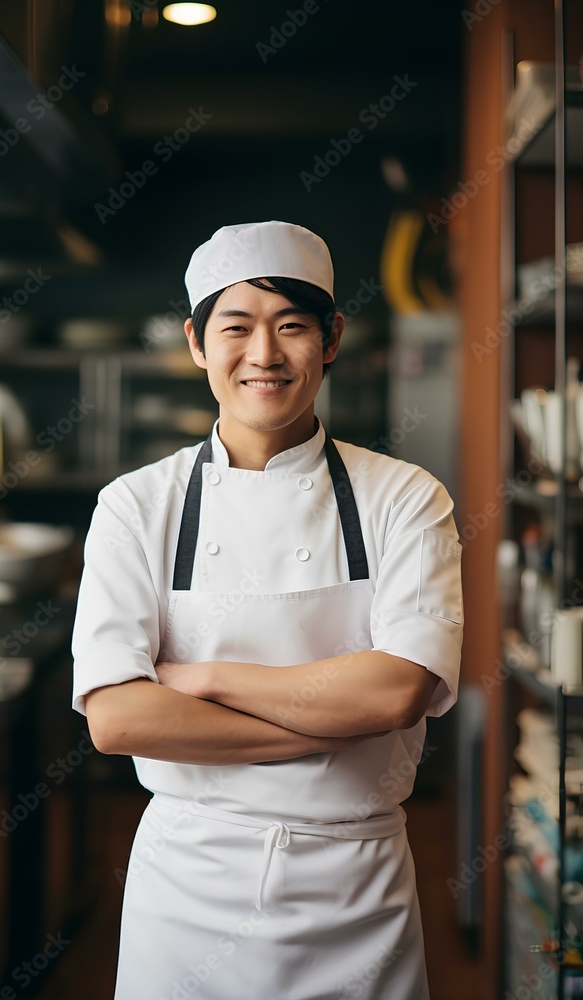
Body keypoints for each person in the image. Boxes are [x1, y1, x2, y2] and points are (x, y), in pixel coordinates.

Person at [72, 220, 463, 1000]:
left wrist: (203, 678)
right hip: (187, 885)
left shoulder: (405, 498)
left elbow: (395, 694)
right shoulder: (135, 506)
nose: (264, 354)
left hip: (354, 891)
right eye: (236, 327)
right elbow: (117, 721)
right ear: (195, 341)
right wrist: (332, 727)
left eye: (291, 327)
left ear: (332, 338)